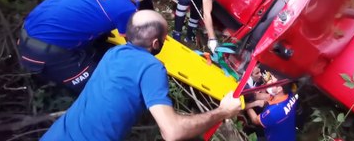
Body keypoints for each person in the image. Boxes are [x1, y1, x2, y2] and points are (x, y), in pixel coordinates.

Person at [41, 10, 242, 141]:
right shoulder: (151, 67)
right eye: (164, 40)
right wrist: (223, 111)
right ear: (156, 44)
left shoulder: (113, 53)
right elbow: (172, 132)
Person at [17, 0, 157, 93]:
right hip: (43, 52)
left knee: (100, 41)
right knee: (101, 86)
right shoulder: (124, 8)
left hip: (26, 31)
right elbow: (135, 42)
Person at [246, 76, 298, 141]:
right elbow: (267, 97)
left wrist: (247, 105)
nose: (269, 82)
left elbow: (255, 120)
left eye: (272, 82)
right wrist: (250, 95)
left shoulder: (274, 112)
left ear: (279, 89)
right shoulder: (289, 94)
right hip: (285, 133)